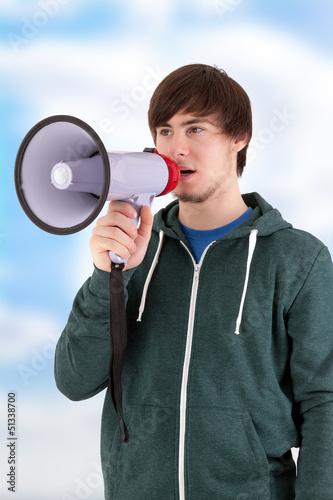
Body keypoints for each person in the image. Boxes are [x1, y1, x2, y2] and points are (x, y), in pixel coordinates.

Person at [55, 64, 333, 500]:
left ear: (239, 138)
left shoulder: (299, 258)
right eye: (164, 131)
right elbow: (74, 381)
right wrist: (107, 276)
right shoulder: (133, 252)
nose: (175, 148)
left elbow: (325, 401)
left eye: (195, 129)